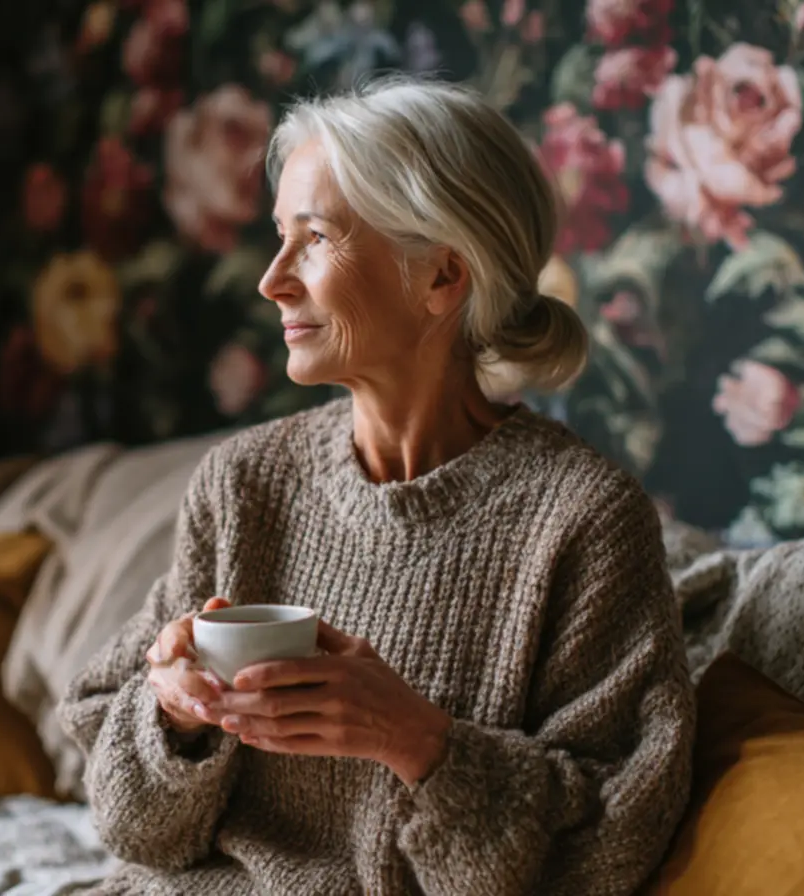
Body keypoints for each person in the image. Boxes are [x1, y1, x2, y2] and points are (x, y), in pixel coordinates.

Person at [57, 75, 695, 896]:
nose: (272, 279)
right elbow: (133, 829)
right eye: (279, 236)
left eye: (315, 238)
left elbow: (611, 842)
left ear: (441, 277)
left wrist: (419, 743)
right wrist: (175, 717)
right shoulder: (244, 483)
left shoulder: (582, 520)